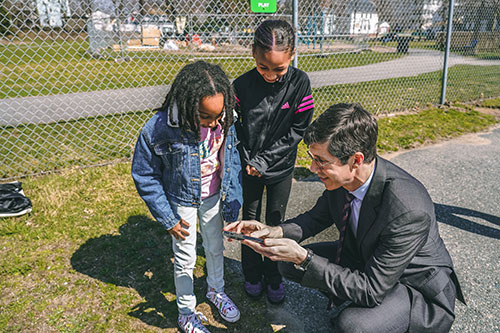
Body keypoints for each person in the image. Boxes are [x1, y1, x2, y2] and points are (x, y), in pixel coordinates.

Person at [226, 103, 465, 332]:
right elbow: (314, 219)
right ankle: (354, 299)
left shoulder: (408, 209)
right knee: (286, 262)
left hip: (413, 286)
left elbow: (372, 289)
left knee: (351, 325)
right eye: (312, 157)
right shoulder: (343, 180)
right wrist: (272, 231)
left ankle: (380, 317)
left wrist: (305, 258)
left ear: (356, 160)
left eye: (320, 160)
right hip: (366, 258)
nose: (311, 168)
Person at [131, 61, 243, 333]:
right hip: (182, 201)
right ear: (187, 104)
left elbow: (232, 157)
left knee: (216, 248)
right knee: (185, 257)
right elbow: (145, 175)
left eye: (219, 115)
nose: (215, 123)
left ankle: (216, 290)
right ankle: (185, 311)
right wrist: (168, 218)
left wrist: (233, 202)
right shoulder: (159, 128)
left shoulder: (226, 118)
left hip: (215, 195)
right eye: (206, 117)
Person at [233, 19, 314, 304]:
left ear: (292, 54)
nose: (270, 75)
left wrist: (265, 161)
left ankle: (274, 275)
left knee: (276, 222)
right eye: (263, 67)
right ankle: (253, 275)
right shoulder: (240, 85)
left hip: (280, 168)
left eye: (278, 69)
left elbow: (298, 130)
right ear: (253, 53)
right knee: (250, 223)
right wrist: (248, 160)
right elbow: (236, 128)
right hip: (249, 168)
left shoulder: (300, 82)